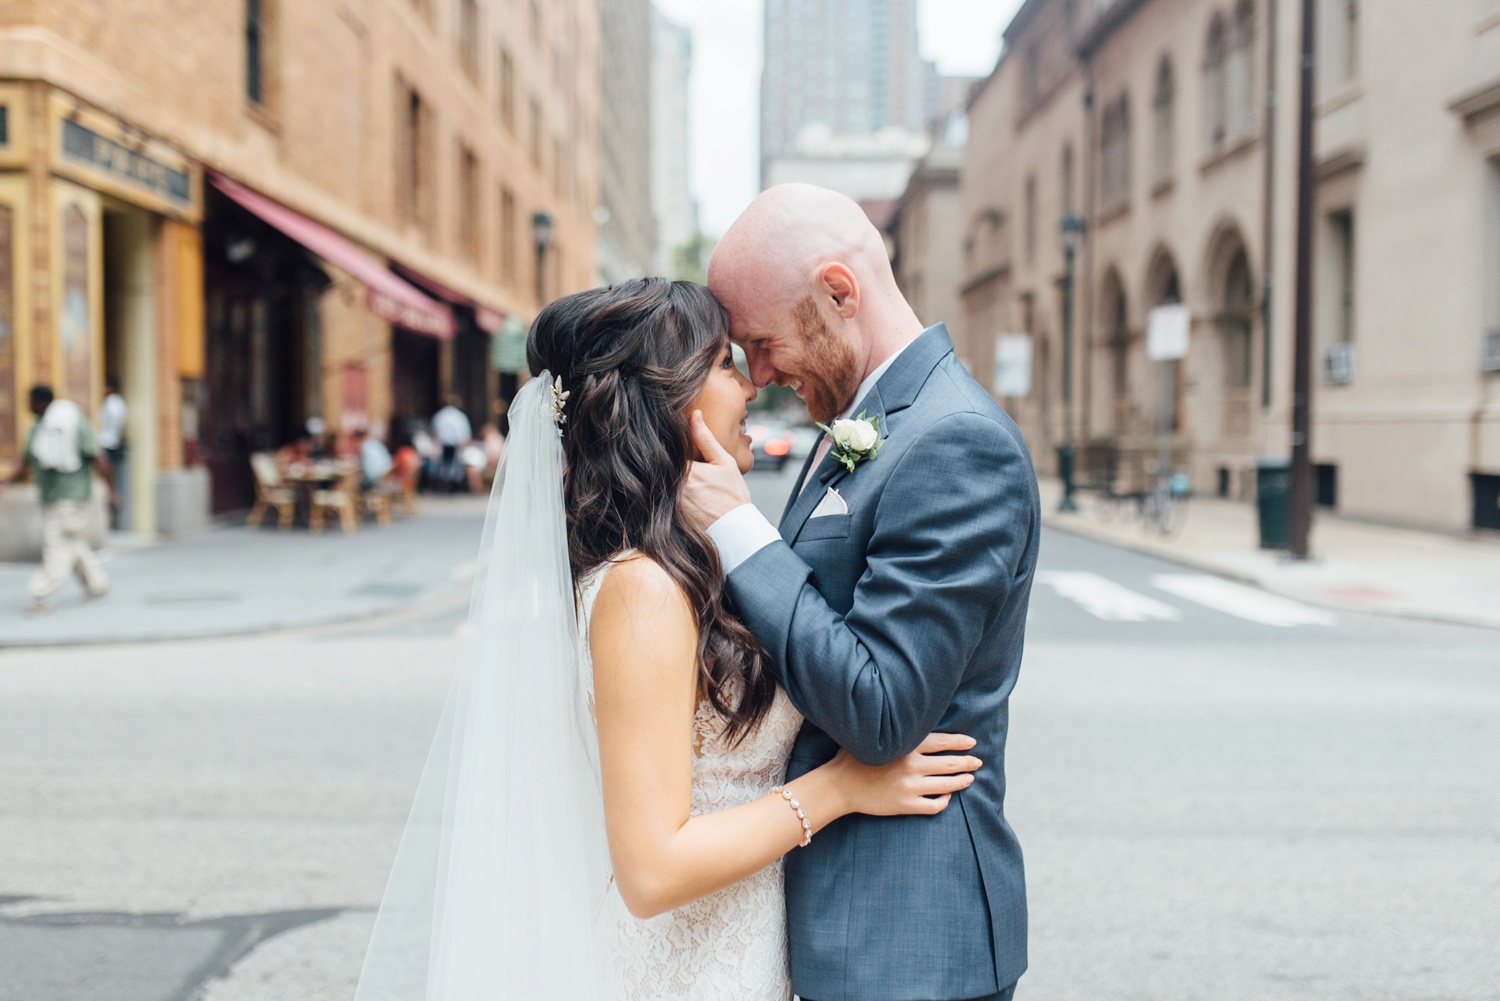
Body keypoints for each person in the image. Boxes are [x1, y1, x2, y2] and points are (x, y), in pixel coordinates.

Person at [354, 279, 982, 1001]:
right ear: (667, 400)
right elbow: (652, 868)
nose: (750, 384)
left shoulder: (686, 562)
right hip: (682, 972)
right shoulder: (642, 589)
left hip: (734, 956)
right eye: (723, 363)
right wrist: (839, 788)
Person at [680, 183, 1040, 1001]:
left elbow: (882, 710)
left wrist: (742, 534)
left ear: (840, 293)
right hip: (847, 923)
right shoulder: (865, 420)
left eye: (763, 342)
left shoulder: (956, 442)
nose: (761, 375)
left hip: (907, 938)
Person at [3, 385, 113, 612]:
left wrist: (112, 491)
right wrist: (5, 483)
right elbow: (25, 464)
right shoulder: (36, 428)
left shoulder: (70, 421)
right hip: (52, 498)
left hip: (70, 499)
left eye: (29, 400)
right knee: (72, 542)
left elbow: (98, 457)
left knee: (56, 545)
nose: (27, 405)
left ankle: (42, 593)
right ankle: (97, 583)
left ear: (39, 401)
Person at [99, 375, 127, 528]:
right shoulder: (118, 403)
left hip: (108, 443)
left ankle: (113, 497)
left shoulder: (112, 404)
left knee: (108, 477)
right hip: (112, 442)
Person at [431, 395, 472, 491]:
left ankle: (444, 485)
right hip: (454, 444)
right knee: (453, 467)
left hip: (445, 444)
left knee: (445, 467)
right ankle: (452, 485)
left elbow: (435, 431)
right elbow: (464, 432)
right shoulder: (459, 416)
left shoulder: (439, 415)